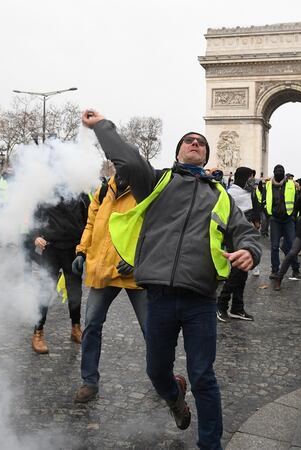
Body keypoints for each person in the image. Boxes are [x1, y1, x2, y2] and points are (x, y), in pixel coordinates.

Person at [85, 109, 260, 450]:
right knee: (156, 371)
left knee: (203, 376)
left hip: (200, 298)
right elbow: (129, 159)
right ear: (179, 152)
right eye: (188, 141)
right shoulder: (157, 182)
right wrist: (103, 125)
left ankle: (211, 445)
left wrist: (251, 252)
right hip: (159, 295)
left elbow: (245, 233)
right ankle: (173, 395)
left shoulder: (221, 196)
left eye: (200, 143)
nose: (194, 144)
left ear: (206, 155)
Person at [71, 171, 147, 403]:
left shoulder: (146, 188)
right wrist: (82, 251)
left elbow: (155, 229)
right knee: (92, 325)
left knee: (152, 330)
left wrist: (137, 257)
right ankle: (89, 381)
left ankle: (163, 378)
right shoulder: (103, 190)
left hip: (134, 272)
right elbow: (91, 224)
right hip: (103, 268)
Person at [28, 194, 89, 354]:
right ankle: (38, 332)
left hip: (74, 250)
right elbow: (34, 217)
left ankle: (76, 328)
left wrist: (85, 247)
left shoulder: (80, 193)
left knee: (75, 291)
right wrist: (36, 237)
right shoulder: (45, 190)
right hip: (51, 249)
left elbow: (90, 221)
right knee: (45, 291)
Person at [217, 166, 260, 322]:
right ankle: (221, 304)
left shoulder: (248, 193)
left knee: (242, 273)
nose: (252, 181)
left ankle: (237, 307)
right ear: (243, 178)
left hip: (246, 237)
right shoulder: (231, 194)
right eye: (250, 177)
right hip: (234, 237)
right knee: (237, 273)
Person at [263, 164, 300, 279]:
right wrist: (268, 214)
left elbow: (296, 201)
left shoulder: (291, 185)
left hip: (288, 219)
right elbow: (264, 201)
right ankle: (275, 270)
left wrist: (294, 215)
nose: (279, 172)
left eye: (281, 170)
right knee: (274, 247)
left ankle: (296, 269)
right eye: (277, 170)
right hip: (275, 220)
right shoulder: (268, 185)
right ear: (274, 172)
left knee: (292, 246)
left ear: (284, 173)